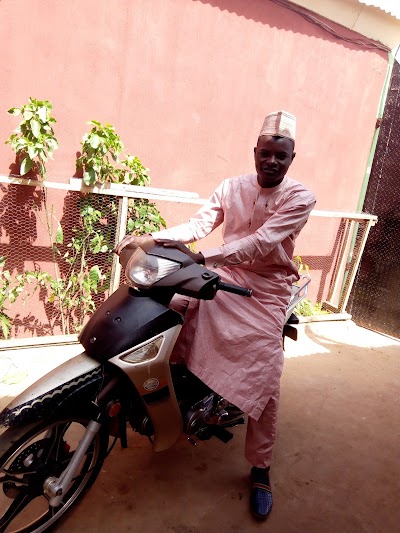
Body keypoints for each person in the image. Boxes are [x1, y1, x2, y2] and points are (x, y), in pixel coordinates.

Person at [116, 110, 316, 520]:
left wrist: (202, 257)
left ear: (291, 158)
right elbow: (200, 223)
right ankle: (172, 402)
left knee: (266, 373)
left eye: (282, 155)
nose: (272, 161)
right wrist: (154, 238)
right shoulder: (231, 187)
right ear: (255, 152)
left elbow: (262, 243)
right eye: (266, 153)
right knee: (169, 312)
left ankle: (260, 468)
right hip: (220, 270)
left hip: (267, 286)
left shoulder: (300, 198)